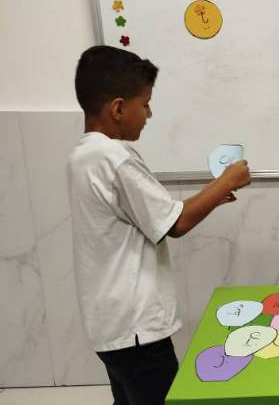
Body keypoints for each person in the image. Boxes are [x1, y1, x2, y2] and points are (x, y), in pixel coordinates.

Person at [67, 45, 251, 404]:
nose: (149, 114)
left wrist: (213, 194)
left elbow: (155, 214)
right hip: (137, 330)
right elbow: (176, 222)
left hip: (109, 323)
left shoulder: (82, 156)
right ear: (118, 108)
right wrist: (227, 180)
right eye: (145, 104)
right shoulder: (114, 157)